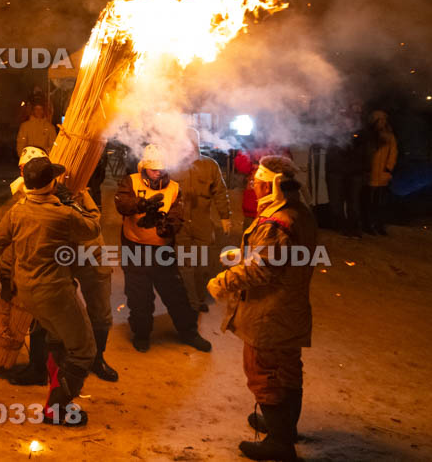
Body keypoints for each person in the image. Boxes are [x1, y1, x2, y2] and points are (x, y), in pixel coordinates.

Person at [207, 155, 317, 462]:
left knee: (264, 372)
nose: (253, 186)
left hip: (270, 311)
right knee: (287, 368)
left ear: (275, 186)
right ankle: (284, 426)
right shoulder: (298, 211)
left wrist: (225, 281)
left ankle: (279, 443)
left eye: (259, 182)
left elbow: (263, 268)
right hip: (290, 307)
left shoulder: (278, 222)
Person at [0, 147, 118, 386]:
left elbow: (92, 227)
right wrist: (5, 274)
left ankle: (96, 360)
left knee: (100, 312)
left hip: (89, 253)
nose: (24, 172)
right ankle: (39, 367)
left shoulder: (72, 186)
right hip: (56, 264)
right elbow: (10, 240)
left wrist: (76, 200)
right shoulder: (21, 198)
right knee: (43, 316)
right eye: (23, 168)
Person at [115, 144, 211, 353]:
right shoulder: (131, 181)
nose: (158, 173)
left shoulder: (174, 188)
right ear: (144, 167)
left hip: (162, 251)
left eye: (161, 169)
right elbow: (122, 203)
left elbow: (178, 214)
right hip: (135, 249)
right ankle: (141, 334)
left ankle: (189, 332)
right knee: (139, 297)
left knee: (175, 294)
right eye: (153, 169)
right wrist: (141, 205)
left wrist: (168, 227)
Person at [174, 128, 233, 313]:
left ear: (196, 144)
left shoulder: (210, 166)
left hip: (202, 223)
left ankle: (199, 298)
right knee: (184, 265)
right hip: (180, 224)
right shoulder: (174, 166)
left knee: (202, 265)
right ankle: (189, 301)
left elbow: (220, 192)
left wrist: (225, 216)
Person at [325, 106, 367, 238]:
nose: (346, 122)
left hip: (354, 172)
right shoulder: (332, 133)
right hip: (336, 171)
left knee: (353, 202)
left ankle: (353, 227)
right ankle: (341, 226)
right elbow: (329, 150)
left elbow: (363, 151)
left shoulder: (360, 133)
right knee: (336, 202)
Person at [362, 110, 397, 236]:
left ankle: (379, 224)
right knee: (368, 202)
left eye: (383, 119)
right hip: (369, 174)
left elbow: (393, 153)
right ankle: (368, 224)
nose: (382, 122)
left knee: (380, 203)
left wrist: (388, 168)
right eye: (379, 119)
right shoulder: (368, 136)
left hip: (382, 174)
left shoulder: (389, 136)